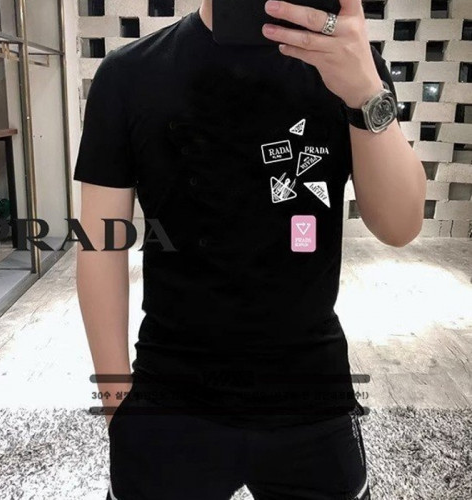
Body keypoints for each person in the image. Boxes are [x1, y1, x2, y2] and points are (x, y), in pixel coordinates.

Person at [73, 1, 426, 499]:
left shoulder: (350, 66)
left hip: (311, 388)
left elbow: (399, 225)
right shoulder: (128, 74)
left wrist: (366, 93)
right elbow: (99, 245)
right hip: (170, 388)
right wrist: (116, 399)